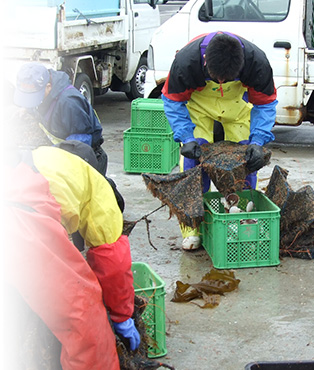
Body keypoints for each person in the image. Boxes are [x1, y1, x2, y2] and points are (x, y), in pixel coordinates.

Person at [4, 143, 140, 369]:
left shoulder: (52, 159)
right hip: (18, 213)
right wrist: (122, 314)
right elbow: (113, 262)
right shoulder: (101, 195)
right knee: (85, 318)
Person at [161, 31, 278, 250]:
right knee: (193, 166)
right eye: (217, 78)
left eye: (228, 79)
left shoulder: (257, 62)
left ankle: (240, 222)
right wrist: (185, 137)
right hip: (200, 110)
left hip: (237, 111)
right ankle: (193, 228)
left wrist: (258, 141)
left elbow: (265, 104)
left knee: (246, 163)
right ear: (205, 64)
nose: (222, 82)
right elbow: (172, 100)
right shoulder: (186, 62)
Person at [13, 62, 108, 176]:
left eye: (33, 97)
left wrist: (47, 155)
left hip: (86, 159)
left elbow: (79, 145)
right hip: (63, 152)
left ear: (48, 86)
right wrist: (27, 109)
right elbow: (37, 104)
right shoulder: (45, 93)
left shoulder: (70, 103)